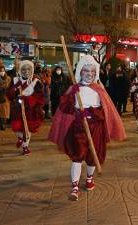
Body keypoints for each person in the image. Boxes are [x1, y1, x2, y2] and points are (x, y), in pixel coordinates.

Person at [48, 55, 126, 201]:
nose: (89, 74)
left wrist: (91, 112)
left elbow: (106, 110)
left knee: (93, 155)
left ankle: (89, 178)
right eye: (86, 71)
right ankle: (75, 186)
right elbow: (64, 107)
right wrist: (72, 99)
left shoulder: (99, 89)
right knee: (77, 156)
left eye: (92, 71)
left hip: (96, 127)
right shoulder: (74, 88)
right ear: (80, 72)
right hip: (78, 127)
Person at [7, 60, 45, 155]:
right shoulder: (15, 80)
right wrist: (15, 87)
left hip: (31, 110)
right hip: (17, 109)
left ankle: (25, 146)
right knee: (16, 127)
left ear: (32, 70)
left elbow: (39, 96)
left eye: (29, 69)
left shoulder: (36, 82)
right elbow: (9, 95)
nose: (26, 71)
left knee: (27, 130)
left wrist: (27, 99)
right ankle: (21, 137)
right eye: (24, 69)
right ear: (20, 70)